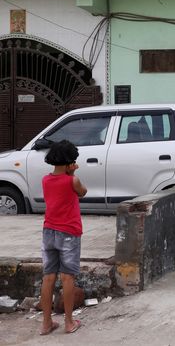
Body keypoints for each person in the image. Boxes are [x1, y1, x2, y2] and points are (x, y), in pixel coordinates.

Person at [39, 140, 86, 335]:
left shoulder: (45, 180)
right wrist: (73, 174)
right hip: (69, 233)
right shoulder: (72, 180)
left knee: (48, 277)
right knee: (67, 278)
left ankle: (46, 324)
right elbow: (82, 192)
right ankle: (68, 322)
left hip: (49, 231)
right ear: (70, 162)